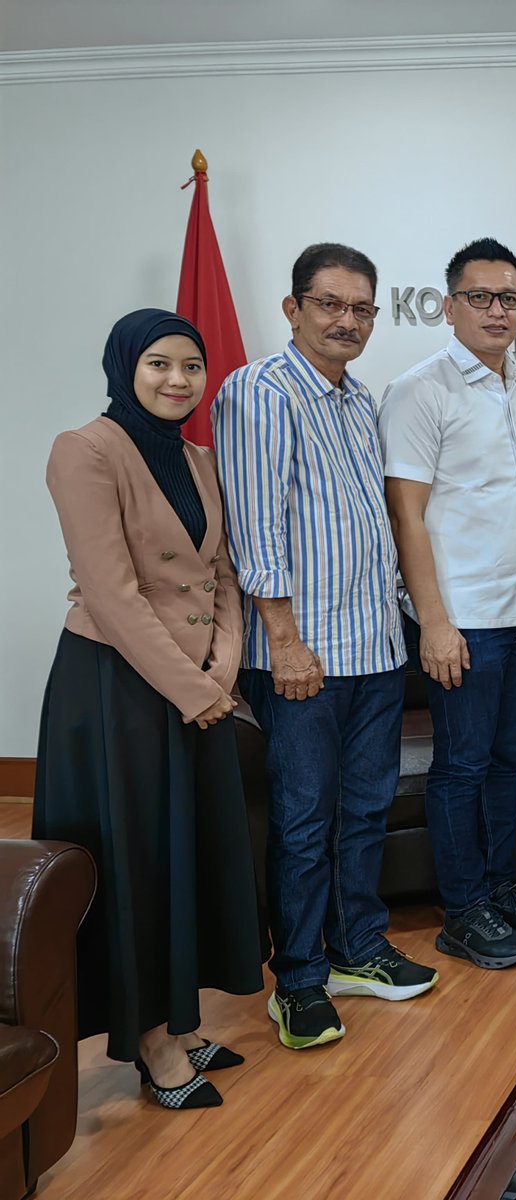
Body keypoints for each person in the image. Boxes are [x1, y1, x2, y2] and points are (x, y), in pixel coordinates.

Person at [34, 309, 263, 1109]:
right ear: (124, 367)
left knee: (188, 851)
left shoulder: (199, 457)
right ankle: (150, 1040)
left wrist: (222, 668)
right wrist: (197, 690)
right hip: (117, 687)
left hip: (197, 685)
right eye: (159, 363)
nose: (177, 379)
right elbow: (112, 594)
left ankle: (183, 1019)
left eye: (191, 366)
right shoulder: (85, 450)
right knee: (137, 861)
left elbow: (221, 573)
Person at [212, 243, 437, 1052]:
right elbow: (256, 529)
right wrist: (284, 640)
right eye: (330, 304)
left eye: (361, 308)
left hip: (373, 649)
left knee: (366, 809)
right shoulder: (260, 392)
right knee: (306, 821)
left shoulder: (356, 400)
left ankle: (356, 948)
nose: (348, 321)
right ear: (293, 308)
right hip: (304, 658)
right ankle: (301, 979)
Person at [381, 238, 516, 971]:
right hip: (465, 622)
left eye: (509, 298)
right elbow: (406, 514)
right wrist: (434, 622)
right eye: (480, 297)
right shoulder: (419, 391)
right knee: (461, 766)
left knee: (505, 761)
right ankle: (462, 912)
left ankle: (499, 891)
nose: (497, 310)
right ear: (449, 305)